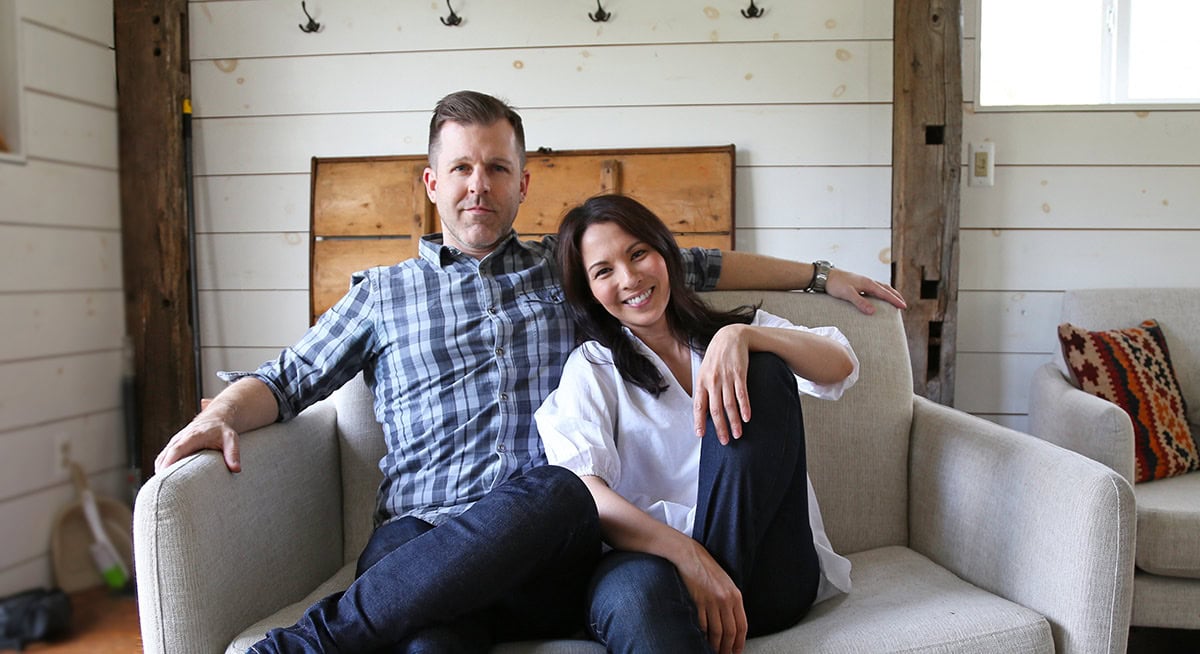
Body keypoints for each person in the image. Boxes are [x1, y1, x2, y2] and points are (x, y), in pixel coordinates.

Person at [154, 90, 904, 653]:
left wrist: (819, 276)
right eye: (461, 169)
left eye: (497, 168)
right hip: (424, 542)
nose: (478, 184)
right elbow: (287, 380)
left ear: (522, 184)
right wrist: (222, 413)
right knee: (427, 645)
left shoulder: (571, 266)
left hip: (555, 539)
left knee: (556, 491)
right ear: (432, 183)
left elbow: (692, 264)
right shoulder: (380, 295)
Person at [535, 194, 860, 654]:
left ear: (664, 252)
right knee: (636, 593)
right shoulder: (593, 368)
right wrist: (689, 555)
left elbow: (840, 364)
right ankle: (701, 588)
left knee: (764, 367)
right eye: (603, 271)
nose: (630, 279)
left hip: (769, 580)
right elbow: (589, 494)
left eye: (638, 253)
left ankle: (718, 580)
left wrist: (742, 335)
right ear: (589, 290)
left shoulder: (735, 332)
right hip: (669, 577)